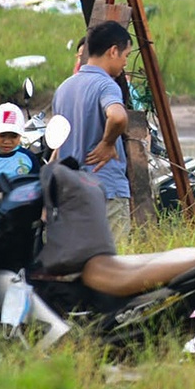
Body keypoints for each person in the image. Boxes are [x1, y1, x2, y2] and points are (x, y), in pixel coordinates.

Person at [52, 21, 133, 242]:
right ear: (113, 51)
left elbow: (57, 146)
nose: (125, 62)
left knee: (81, 264)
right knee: (115, 264)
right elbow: (117, 116)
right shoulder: (106, 85)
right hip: (106, 189)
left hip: (73, 193)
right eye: (126, 55)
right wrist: (107, 144)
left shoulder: (63, 89)